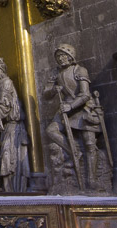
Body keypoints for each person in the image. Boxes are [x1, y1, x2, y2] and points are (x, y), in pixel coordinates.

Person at [43, 44, 101, 190]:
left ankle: (92, 179)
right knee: (51, 130)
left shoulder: (79, 70)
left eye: (63, 55)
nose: (61, 59)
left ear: (70, 56)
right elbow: (46, 95)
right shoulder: (56, 73)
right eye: (58, 57)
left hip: (82, 108)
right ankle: (73, 150)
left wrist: (71, 106)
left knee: (90, 144)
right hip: (65, 109)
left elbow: (85, 94)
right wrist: (52, 89)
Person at [0, 55, 29, 192]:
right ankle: (7, 187)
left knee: (9, 157)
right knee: (4, 156)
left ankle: (13, 189)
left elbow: (4, 104)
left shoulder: (6, 83)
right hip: (5, 128)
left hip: (12, 128)